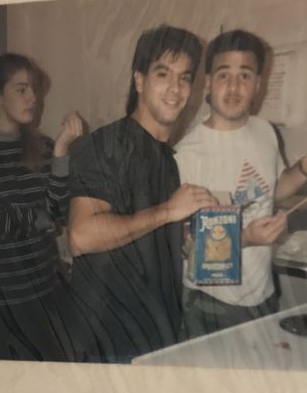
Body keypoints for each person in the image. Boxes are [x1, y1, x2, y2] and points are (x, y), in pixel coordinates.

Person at [175, 29, 307, 337]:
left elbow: (273, 189)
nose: (234, 86)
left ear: (258, 84)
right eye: (224, 75)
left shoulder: (265, 131)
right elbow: (186, 248)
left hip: (264, 293)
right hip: (212, 304)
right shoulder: (186, 154)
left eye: (245, 75)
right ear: (208, 82)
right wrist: (246, 238)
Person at [67, 25, 215, 362]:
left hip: (155, 337)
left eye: (185, 77)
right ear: (139, 81)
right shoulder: (104, 145)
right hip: (106, 341)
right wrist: (166, 212)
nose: (176, 89)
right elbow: (81, 236)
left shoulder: (167, 159)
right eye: (164, 74)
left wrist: (182, 237)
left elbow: (142, 233)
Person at [0, 52, 84, 361]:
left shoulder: (46, 146)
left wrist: (62, 151)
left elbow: (58, 212)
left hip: (42, 294)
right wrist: (38, 218)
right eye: (21, 89)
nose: (33, 97)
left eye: (34, 89)